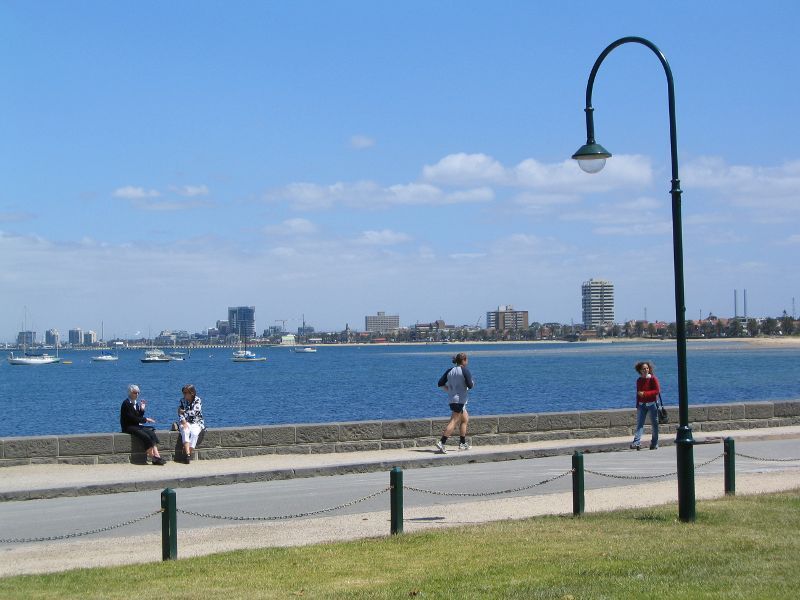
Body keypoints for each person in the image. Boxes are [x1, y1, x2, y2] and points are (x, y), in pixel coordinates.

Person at [435, 352, 474, 454]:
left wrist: (449, 390)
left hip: (453, 400)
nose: (468, 361)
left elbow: (440, 384)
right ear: (464, 360)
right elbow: (470, 386)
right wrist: (472, 383)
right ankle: (442, 442)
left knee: (465, 419)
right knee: (454, 421)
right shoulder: (465, 371)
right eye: (467, 359)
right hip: (459, 400)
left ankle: (462, 443)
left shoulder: (450, 370)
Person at [119, 384, 165, 465]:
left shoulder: (135, 403)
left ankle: (157, 455)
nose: (137, 394)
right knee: (145, 436)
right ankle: (153, 458)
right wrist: (146, 419)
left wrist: (142, 409)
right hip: (128, 426)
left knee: (151, 433)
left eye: (138, 393)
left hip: (135, 425)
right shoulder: (126, 403)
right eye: (135, 392)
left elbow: (138, 417)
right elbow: (132, 418)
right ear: (130, 393)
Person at [631, 361, 660, 450]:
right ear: (640, 370)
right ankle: (636, 442)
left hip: (652, 405)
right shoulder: (639, 380)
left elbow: (657, 391)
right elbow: (638, 393)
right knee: (640, 424)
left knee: (655, 425)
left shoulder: (653, 379)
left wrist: (645, 394)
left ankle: (654, 443)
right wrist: (637, 404)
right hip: (641, 405)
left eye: (647, 368)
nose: (645, 370)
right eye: (643, 369)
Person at [177, 383, 205, 464]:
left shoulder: (197, 400)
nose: (184, 394)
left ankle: (187, 452)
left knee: (194, 433)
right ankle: (188, 455)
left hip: (197, 422)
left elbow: (195, 412)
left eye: (186, 393)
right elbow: (179, 413)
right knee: (185, 431)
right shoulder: (182, 400)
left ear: (191, 393)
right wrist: (183, 421)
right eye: (183, 393)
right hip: (186, 421)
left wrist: (184, 411)